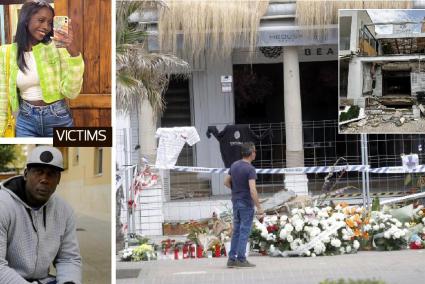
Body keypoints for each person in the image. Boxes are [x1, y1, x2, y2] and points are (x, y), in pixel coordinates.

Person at [0, 0, 84, 137]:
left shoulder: (57, 47)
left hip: (59, 118)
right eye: (41, 20)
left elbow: (71, 93)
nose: (46, 27)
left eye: (50, 23)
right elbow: (2, 97)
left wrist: (74, 53)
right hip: (25, 120)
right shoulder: (6, 53)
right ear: (26, 20)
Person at [0, 146, 82, 284]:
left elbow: (68, 258)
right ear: (26, 174)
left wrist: (69, 282)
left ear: (59, 179)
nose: (44, 179)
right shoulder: (3, 205)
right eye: (38, 172)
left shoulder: (64, 210)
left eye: (51, 174)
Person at [224, 142, 263, 268]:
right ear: (251, 153)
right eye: (255, 151)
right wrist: (259, 207)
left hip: (235, 201)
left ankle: (231, 259)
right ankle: (241, 259)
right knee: (244, 230)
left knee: (236, 230)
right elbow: (253, 190)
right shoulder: (250, 169)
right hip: (246, 203)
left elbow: (226, 182)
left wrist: (236, 191)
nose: (255, 153)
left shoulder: (234, 165)